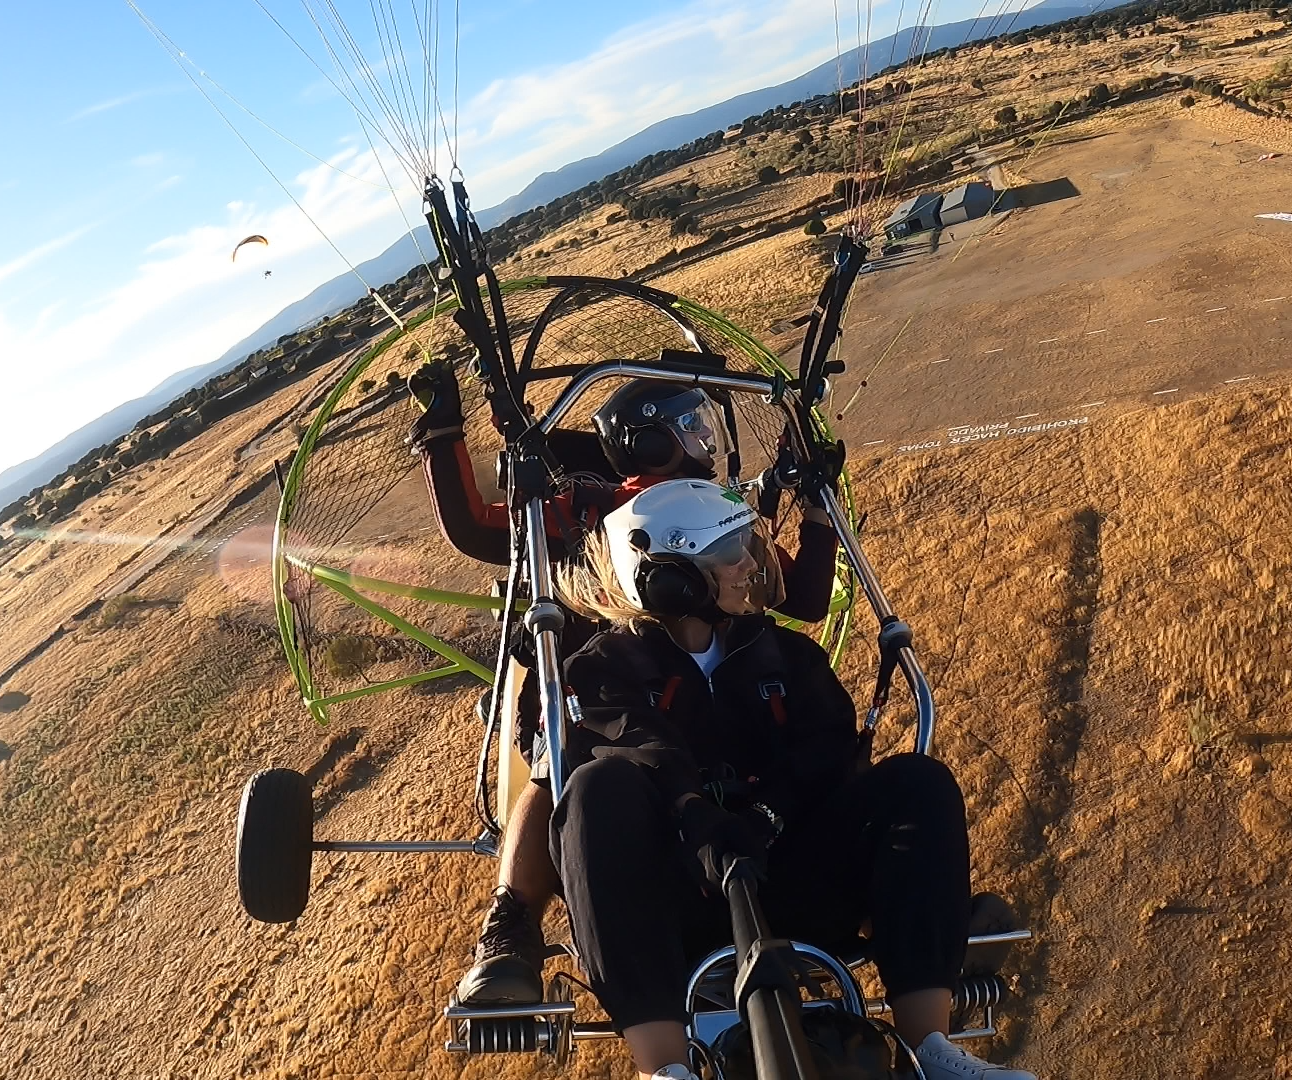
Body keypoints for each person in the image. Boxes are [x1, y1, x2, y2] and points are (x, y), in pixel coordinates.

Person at [543, 479, 1032, 1080]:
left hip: (786, 874)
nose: (753, 565)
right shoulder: (598, 672)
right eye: (732, 555)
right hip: (678, 901)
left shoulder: (789, 659)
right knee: (596, 791)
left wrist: (763, 817)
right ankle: (663, 1067)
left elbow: (825, 750)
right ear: (674, 579)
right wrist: (695, 815)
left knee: (917, 781)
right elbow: (643, 747)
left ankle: (930, 1047)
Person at [406, 362, 840, 1006]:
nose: (704, 438)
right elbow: (475, 527)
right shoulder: (590, 509)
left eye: (701, 422)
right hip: (604, 679)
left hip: (703, 672)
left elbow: (802, 597)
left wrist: (813, 508)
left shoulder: (721, 514)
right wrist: (444, 432)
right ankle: (512, 924)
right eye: (686, 425)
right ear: (649, 439)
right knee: (557, 765)